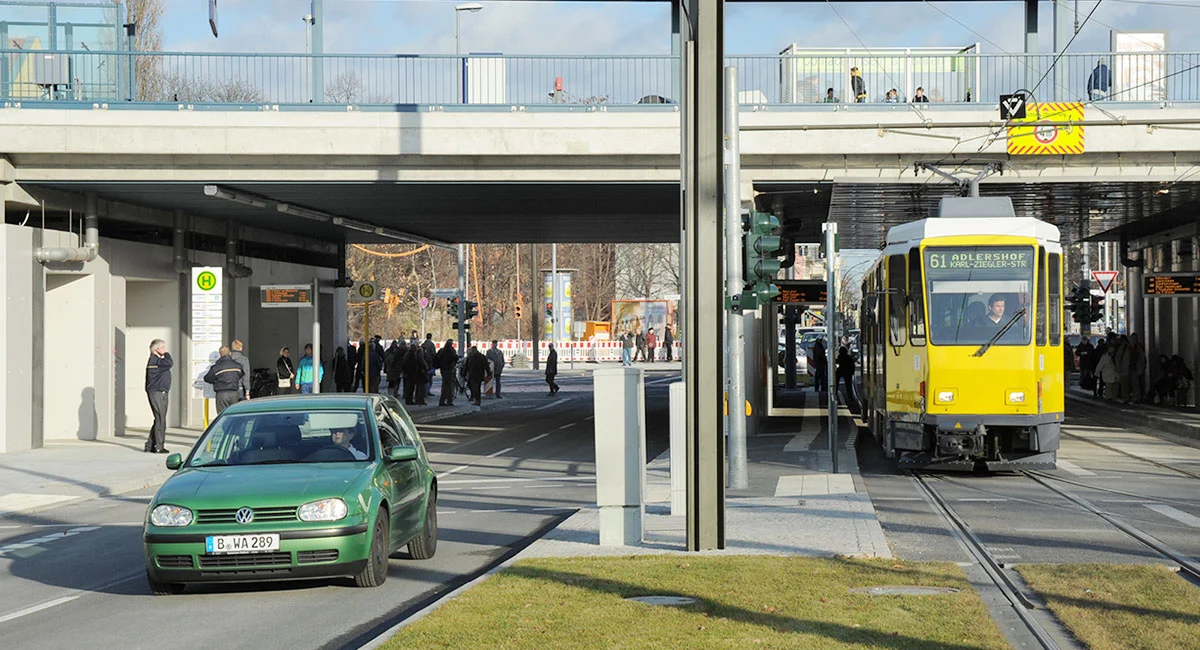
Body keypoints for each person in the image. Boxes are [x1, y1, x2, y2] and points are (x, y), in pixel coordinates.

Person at [144, 339, 172, 454]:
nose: (165, 350)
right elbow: (169, 362)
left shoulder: (156, 361)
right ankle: (159, 446)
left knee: (158, 418)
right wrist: (166, 354)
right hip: (158, 392)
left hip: (159, 392)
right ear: (157, 349)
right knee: (161, 419)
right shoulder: (156, 361)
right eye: (163, 348)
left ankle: (150, 445)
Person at [204, 345, 245, 413]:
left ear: (220, 354)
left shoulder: (216, 367)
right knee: (234, 415)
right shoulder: (238, 366)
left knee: (222, 416)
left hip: (221, 395)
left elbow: (207, 378)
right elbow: (241, 375)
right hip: (234, 393)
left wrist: (216, 380)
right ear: (230, 353)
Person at [435, 339, 459, 406]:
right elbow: (454, 358)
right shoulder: (451, 351)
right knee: (449, 386)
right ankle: (449, 401)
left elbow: (437, 358)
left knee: (445, 385)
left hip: (443, 369)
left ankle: (442, 401)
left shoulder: (441, 350)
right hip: (449, 369)